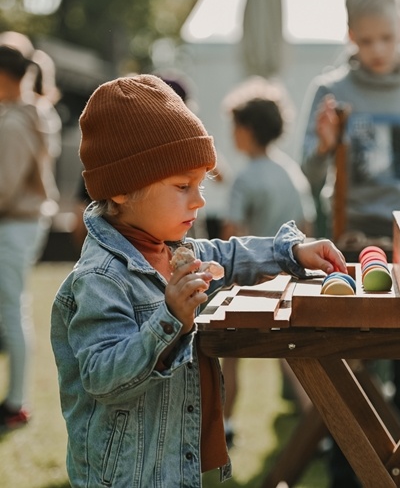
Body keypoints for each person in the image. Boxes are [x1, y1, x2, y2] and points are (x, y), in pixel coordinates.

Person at [49, 74, 347, 486]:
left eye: (201, 183)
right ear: (121, 190)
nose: (200, 199)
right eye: (182, 186)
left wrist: (291, 252)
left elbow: (228, 255)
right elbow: (102, 377)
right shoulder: (101, 277)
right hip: (127, 476)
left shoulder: (170, 247)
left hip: (175, 466)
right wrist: (169, 319)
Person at [298, 0, 400, 485]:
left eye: (387, 38)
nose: (376, 49)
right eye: (365, 40)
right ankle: (348, 467)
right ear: (350, 35)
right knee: (350, 364)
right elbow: (307, 171)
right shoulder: (330, 89)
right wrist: (325, 144)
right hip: (354, 239)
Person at [220, 77, 316, 447]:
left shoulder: (245, 179)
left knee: (229, 356)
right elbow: (306, 228)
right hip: (288, 280)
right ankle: (318, 426)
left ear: (246, 130)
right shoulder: (291, 173)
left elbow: (232, 234)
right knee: (293, 359)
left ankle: (224, 425)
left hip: (248, 282)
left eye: (234, 127)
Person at [0, 44, 58, 431]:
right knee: (11, 311)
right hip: (23, 225)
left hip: (14, 225)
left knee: (11, 313)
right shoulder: (28, 115)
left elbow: (2, 186)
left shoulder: (15, 123)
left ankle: (16, 403)